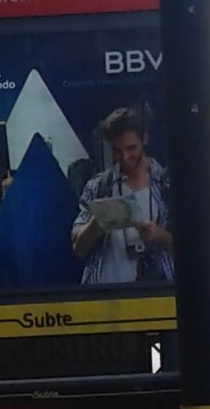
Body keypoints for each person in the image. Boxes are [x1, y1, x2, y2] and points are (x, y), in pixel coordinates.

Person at [71, 108, 173, 287]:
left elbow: (194, 249)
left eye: (131, 148)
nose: (124, 157)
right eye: (117, 151)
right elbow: (78, 249)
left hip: (156, 296)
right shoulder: (98, 186)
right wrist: (98, 222)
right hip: (104, 296)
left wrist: (159, 236)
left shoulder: (167, 185)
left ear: (145, 139)